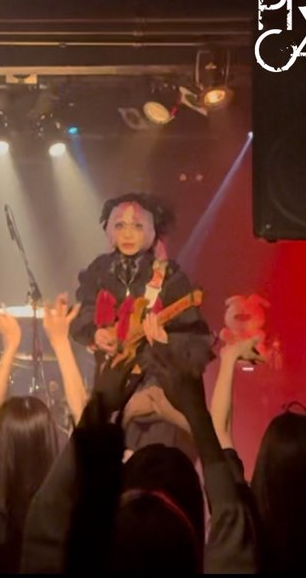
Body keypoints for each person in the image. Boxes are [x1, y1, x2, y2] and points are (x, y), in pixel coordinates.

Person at [69, 193, 213, 456]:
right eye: (120, 225)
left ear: (151, 231)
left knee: (153, 460)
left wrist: (165, 342)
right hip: (111, 385)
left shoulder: (168, 276)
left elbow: (196, 338)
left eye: (137, 226)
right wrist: (96, 333)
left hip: (156, 389)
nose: (127, 234)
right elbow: (80, 313)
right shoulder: (99, 271)